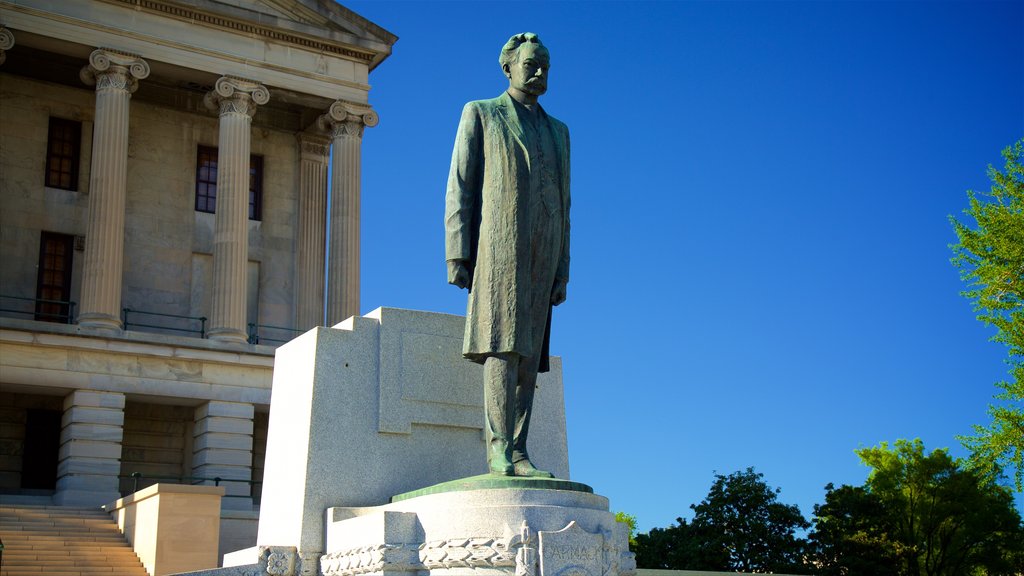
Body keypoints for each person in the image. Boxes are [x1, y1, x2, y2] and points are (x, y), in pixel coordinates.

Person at [444, 32, 570, 477]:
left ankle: (520, 450)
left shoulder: (559, 131)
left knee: (529, 353)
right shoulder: (481, 113)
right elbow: (461, 183)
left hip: (544, 248)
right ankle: (500, 448)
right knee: (502, 346)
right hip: (497, 246)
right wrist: (457, 252)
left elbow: (565, 202)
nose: (538, 72)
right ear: (508, 67)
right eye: (530, 63)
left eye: (545, 66)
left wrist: (562, 268)